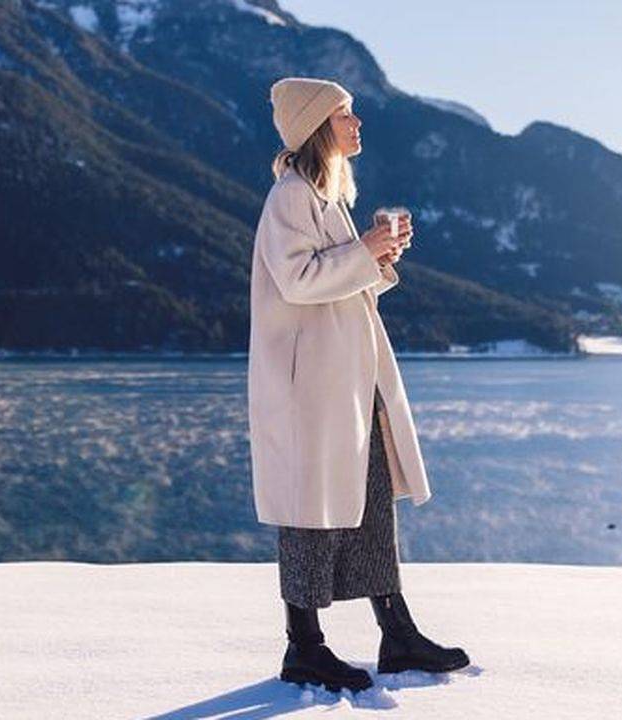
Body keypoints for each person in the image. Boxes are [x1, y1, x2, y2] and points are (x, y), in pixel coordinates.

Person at [247, 77, 469, 693]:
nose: (357, 122)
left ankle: (396, 634)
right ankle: (304, 647)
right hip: (311, 389)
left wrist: (379, 257)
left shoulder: (327, 197)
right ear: (319, 125)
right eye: (346, 114)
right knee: (309, 513)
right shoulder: (291, 197)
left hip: (346, 381)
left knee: (369, 505)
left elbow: (337, 282)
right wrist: (364, 252)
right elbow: (297, 282)